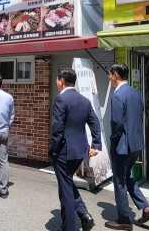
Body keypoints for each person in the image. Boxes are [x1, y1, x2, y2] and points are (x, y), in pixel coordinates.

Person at [105, 63, 149, 231]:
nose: (108, 77)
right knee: (126, 177)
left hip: (122, 145)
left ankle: (124, 220)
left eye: (109, 74)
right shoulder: (136, 93)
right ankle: (147, 209)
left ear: (115, 75)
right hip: (135, 143)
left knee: (119, 181)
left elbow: (117, 123)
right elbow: (139, 116)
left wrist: (113, 139)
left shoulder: (117, 95)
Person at [50, 67, 102, 231]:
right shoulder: (84, 100)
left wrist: (53, 149)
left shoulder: (61, 99)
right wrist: (96, 145)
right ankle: (83, 214)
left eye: (57, 80)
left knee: (65, 192)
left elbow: (57, 128)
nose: (57, 83)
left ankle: (69, 227)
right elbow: (95, 122)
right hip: (80, 151)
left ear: (61, 81)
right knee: (67, 184)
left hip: (64, 151)